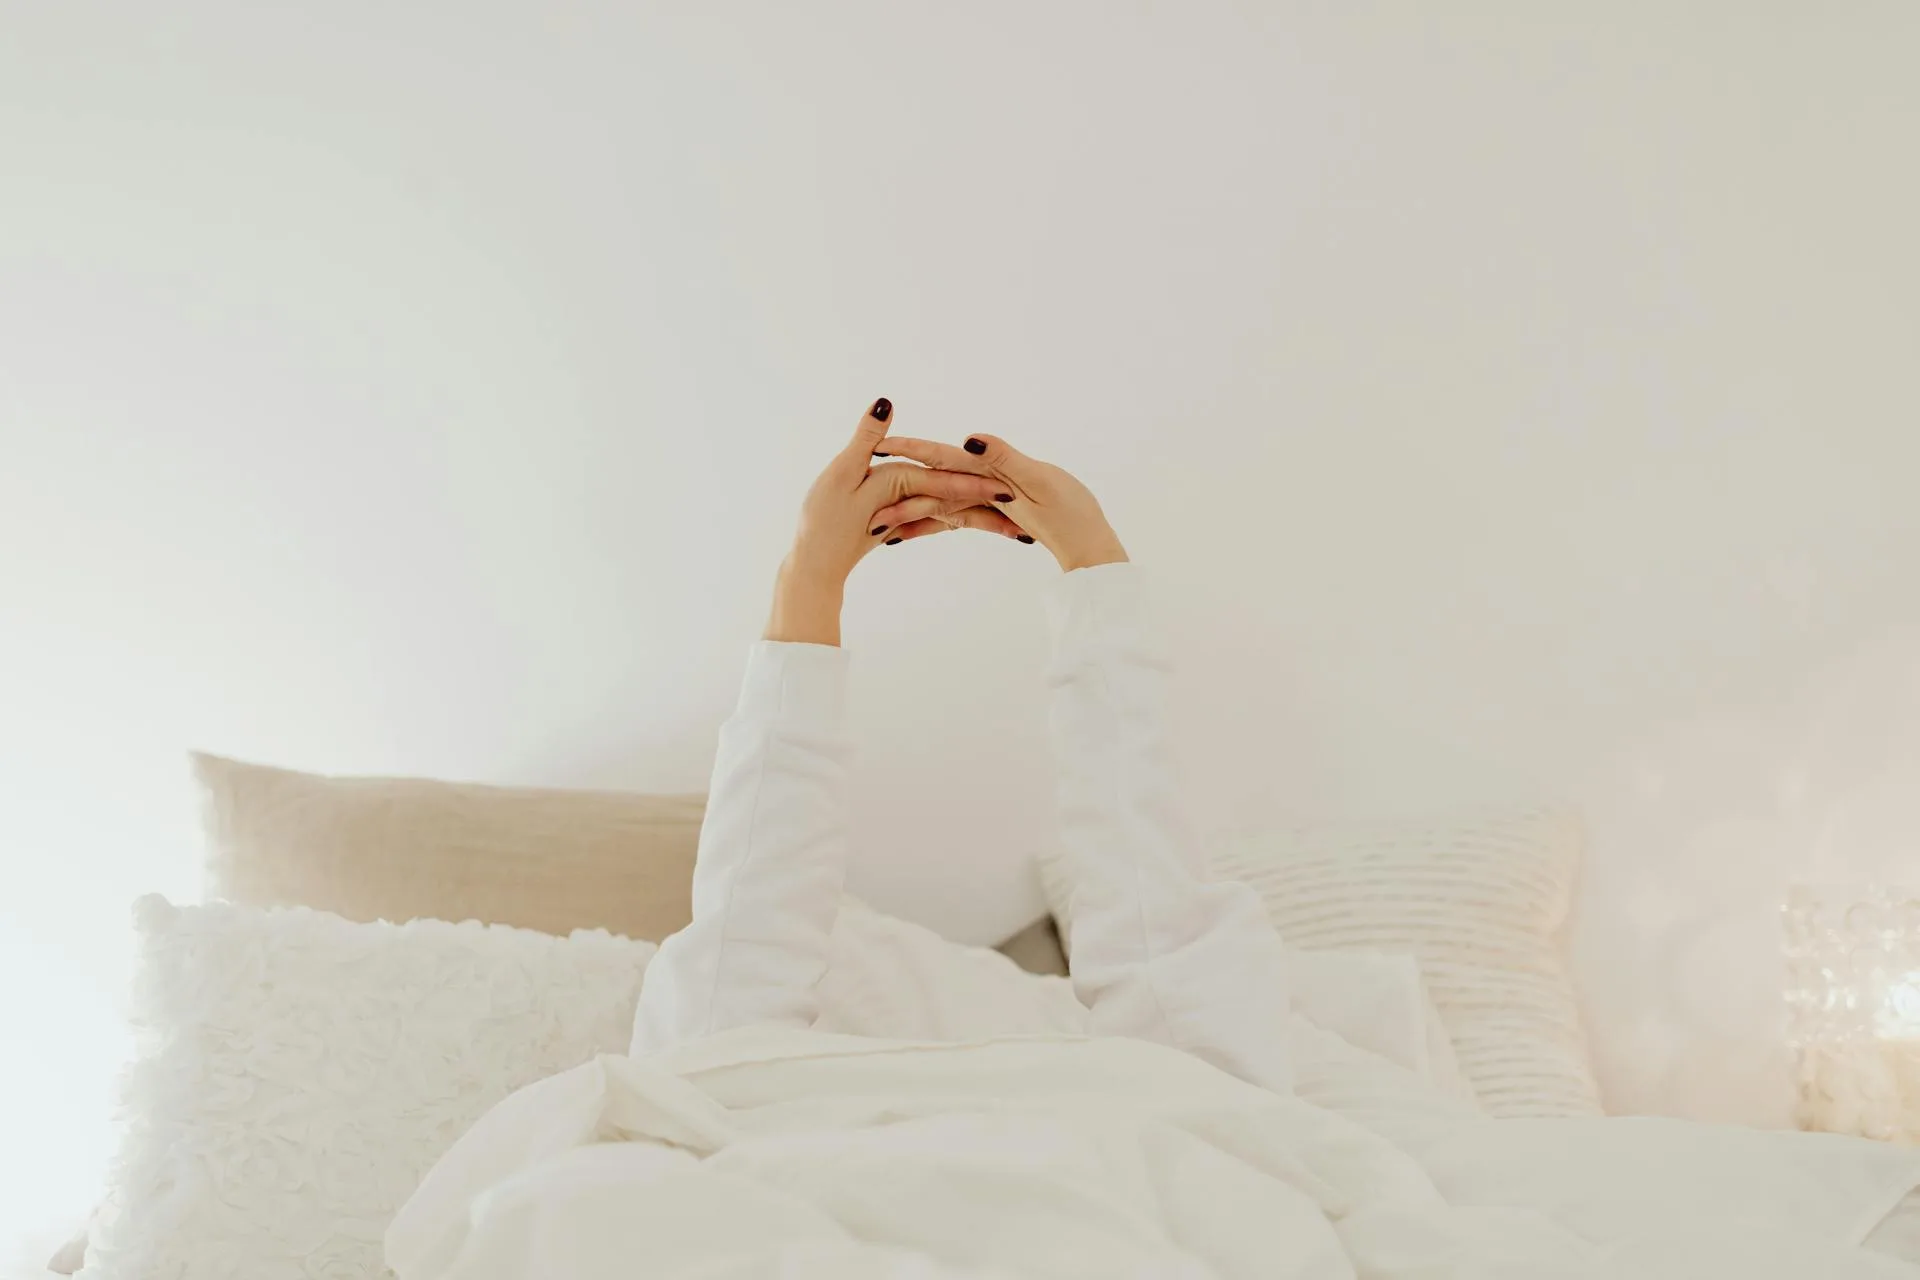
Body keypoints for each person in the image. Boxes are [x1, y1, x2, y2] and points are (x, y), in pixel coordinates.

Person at [629, 398, 1296, 1094]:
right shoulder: (1199, 1136)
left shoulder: (714, 1136)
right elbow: (1180, 998)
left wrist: (807, 581)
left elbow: (714, 1031)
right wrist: (1094, 562)